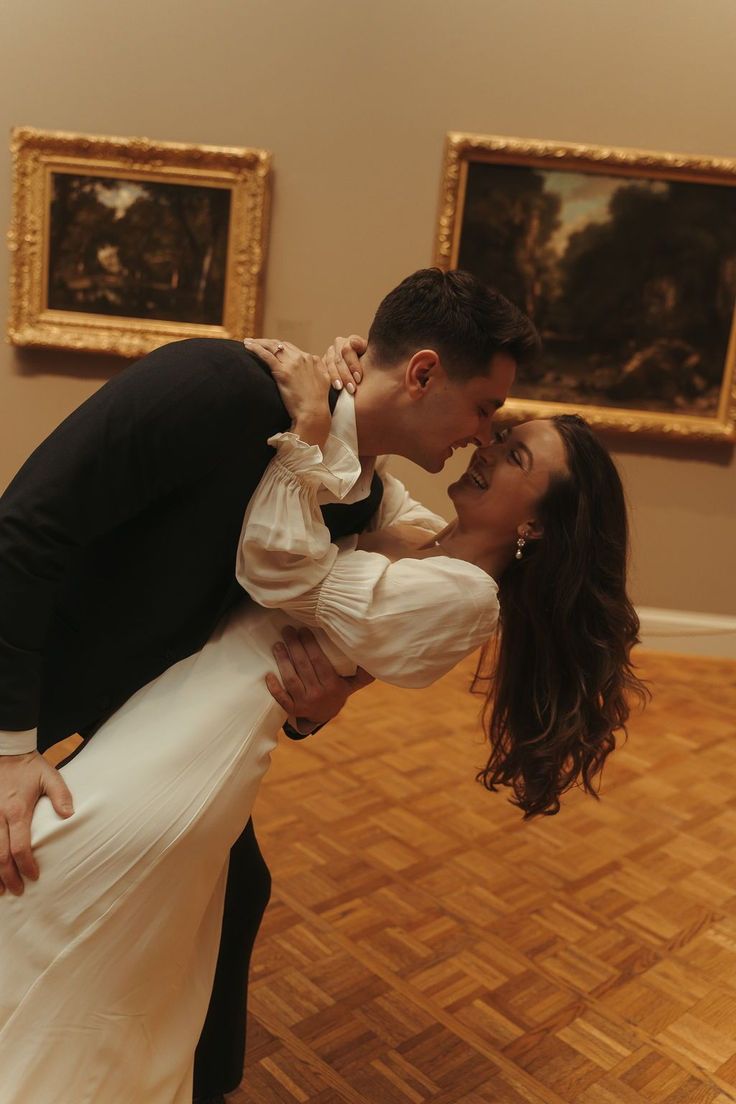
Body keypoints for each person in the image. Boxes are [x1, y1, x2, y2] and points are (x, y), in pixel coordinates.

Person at [0, 336, 644, 1101]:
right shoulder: (422, 542)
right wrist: (351, 394)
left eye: (512, 455)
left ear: (538, 524)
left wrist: (309, 430)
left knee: (47, 914)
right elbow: (361, 489)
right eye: (496, 428)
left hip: (190, 752)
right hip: (168, 714)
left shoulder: (464, 598)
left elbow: (278, 563)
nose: (485, 444)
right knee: (105, 960)